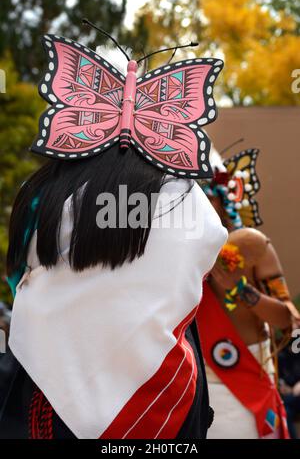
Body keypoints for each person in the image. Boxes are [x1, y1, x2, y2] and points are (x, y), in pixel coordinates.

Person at [0, 28, 227, 439]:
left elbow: (19, 276)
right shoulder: (187, 199)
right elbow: (204, 259)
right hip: (161, 397)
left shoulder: (42, 192)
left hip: (43, 394)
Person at [195, 147, 300, 439]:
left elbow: (287, 320)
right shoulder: (171, 253)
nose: (199, 206)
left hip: (245, 386)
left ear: (222, 198)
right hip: (191, 386)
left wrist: (239, 290)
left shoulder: (251, 245)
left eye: (207, 196)